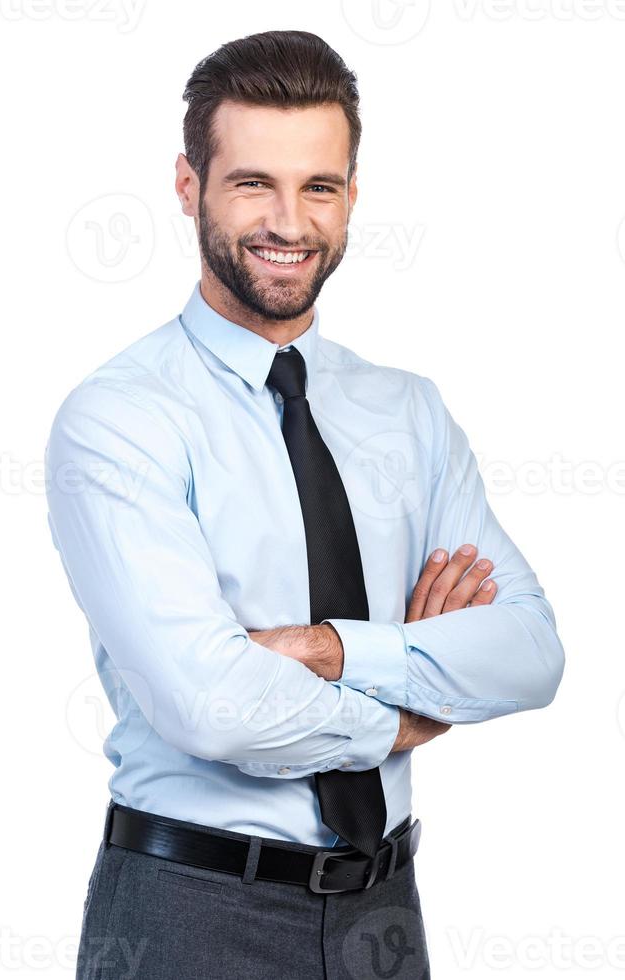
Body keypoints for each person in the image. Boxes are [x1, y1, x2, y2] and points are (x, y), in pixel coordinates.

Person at [44, 29, 565, 980]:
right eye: (252, 183)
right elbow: (214, 705)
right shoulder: (119, 419)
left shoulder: (409, 411)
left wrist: (330, 649)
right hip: (189, 915)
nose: (289, 221)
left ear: (352, 198)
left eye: (318, 187)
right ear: (189, 185)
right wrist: (407, 715)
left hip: (384, 912)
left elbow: (531, 651)